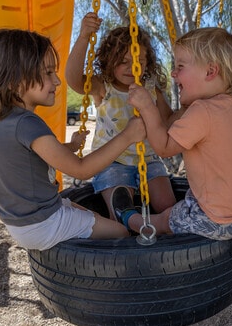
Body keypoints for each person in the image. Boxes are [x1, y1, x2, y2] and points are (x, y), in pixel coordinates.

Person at [0, 28, 146, 250]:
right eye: (48, 73)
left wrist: (72, 146)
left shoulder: (4, 121)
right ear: (13, 80)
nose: (57, 81)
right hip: (43, 223)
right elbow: (82, 170)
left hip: (21, 221)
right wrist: (127, 136)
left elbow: (34, 157)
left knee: (91, 213)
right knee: (121, 232)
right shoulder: (27, 123)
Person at [112, 27, 232, 240]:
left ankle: (129, 219)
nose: (173, 73)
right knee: (181, 205)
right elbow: (173, 124)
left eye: (180, 66)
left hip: (216, 220)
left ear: (210, 72)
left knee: (165, 219)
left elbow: (164, 148)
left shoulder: (202, 110)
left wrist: (147, 107)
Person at [65, 12, 176, 220]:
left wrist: (192, 105)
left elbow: (169, 120)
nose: (132, 67)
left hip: (150, 159)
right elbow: (74, 80)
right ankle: (125, 230)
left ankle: (163, 234)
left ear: (147, 63)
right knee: (121, 206)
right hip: (112, 161)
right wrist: (83, 38)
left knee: (167, 206)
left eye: (140, 61)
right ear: (109, 61)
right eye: (124, 61)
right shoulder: (103, 87)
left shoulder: (152, 88)